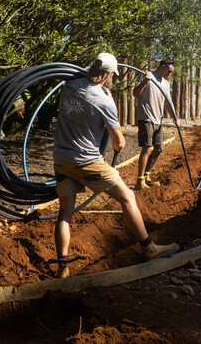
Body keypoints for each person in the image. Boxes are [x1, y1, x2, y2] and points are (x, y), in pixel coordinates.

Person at [53, 53, 179, 278]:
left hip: (61, 160)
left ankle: (62, 264)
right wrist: (110, 103)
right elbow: (119, 144)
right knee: (128, 197)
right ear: (109, 74)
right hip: (87, 161)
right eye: (113, 75)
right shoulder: (104, 101)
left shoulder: (69, 85)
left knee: (65, 213)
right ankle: (149, 248)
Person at [133, 59, 179, 190]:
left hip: (158, 120)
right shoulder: (147, 76)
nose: (170, 74)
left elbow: (168, 101)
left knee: (158, 148)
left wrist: (175, 117)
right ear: (162, 66)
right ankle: (139, 181)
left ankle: (147, 175)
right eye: (169, 71)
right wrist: (145, 81)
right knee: (147, 148)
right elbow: (135, 93)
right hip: (146, 117)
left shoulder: (165, 83)